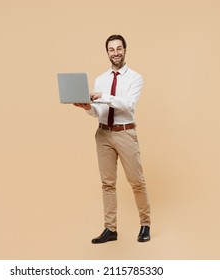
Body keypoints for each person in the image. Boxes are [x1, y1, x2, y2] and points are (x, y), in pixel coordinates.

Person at [74, 34, 151, 243]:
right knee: (107, 183)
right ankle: (110, 229)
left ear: (125, 50)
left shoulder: (135, 77)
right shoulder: (101, 79)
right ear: (107, 52)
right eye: (111, 49)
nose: (115, 53)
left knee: (137, 181)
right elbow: (99, 112)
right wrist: (88, 107)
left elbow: (128, 104)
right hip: (103, 134)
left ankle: (145, 224)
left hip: (125, 132)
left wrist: (103, 97)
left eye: (119, 48)